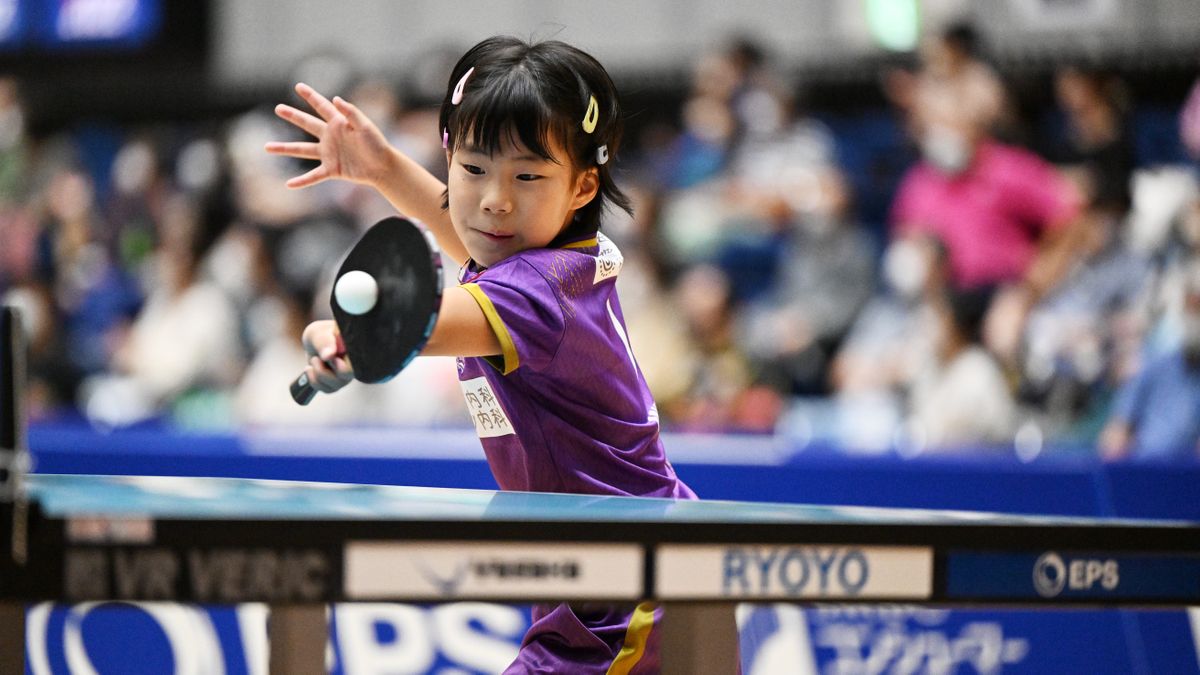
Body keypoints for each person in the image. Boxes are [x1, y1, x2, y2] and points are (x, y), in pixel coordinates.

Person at [266, 36, 694, 673]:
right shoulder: (542, 260)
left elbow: (424, 321)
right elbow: (455, 226)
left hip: (628, 597)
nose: (495, 198)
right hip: (604, 575)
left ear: (581, 186)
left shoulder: (539, 292)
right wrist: (382, 166)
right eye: (472, 169)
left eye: (527, 175)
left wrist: (353, 335)